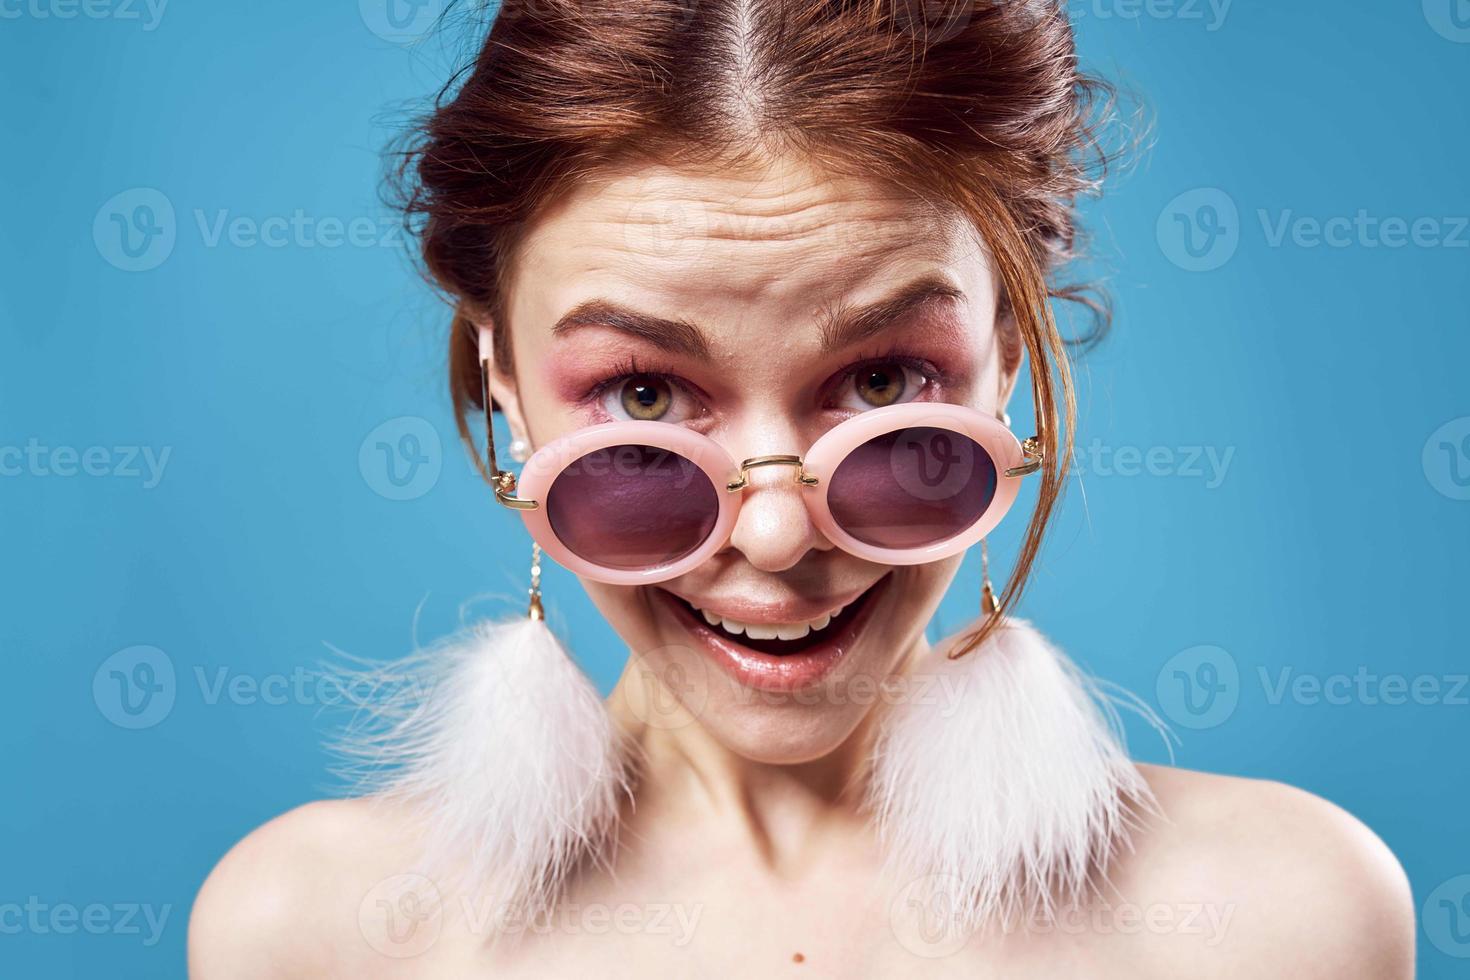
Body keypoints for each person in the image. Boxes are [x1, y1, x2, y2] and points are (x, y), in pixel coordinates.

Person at [189, 2, 1414, 975]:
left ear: (1013, 363)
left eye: (883, 380)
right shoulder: (309, 933)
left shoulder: (1284, 920)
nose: (776, 534)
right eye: (645, 396)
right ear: (501, 378)